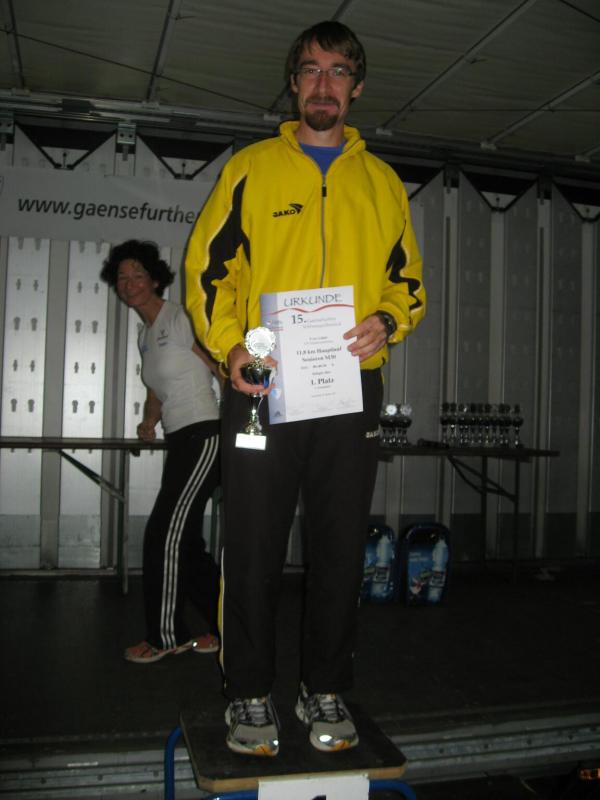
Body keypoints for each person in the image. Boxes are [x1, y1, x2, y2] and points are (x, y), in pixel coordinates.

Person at [185, 20, 426, 755]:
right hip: (261, 383)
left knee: (341, 547)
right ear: (293, 84)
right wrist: (230, 346)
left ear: (357, 87)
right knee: (252, 546)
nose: (325, 84)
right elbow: (209, 270)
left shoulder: (383, 183)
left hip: (349, 389)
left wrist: (388, 320)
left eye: (339, 72)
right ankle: (249, 692)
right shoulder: (251, 169)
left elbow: (407, 283)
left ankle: (324, 687)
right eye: (312, 70)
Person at [101, 240, 222, 664]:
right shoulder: (146, 335)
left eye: (138, 275)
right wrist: (149, 420)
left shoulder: (180, 317)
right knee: (186, 542)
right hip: (179, 437)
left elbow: (220, 365)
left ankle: (166, 635)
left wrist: (247, 422)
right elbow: (156, 388)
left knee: (162, 534)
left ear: (155, 279)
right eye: (122, 277)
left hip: (206, 433)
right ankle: (227, 625)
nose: (129, 283)